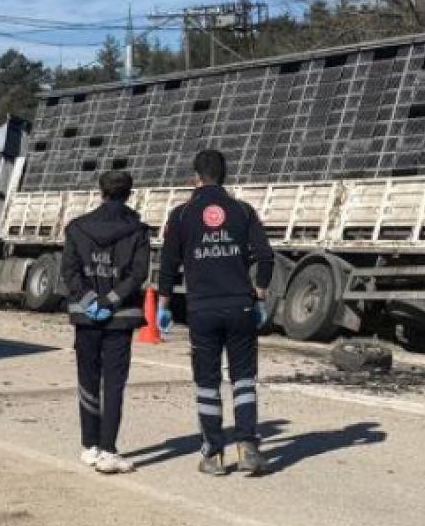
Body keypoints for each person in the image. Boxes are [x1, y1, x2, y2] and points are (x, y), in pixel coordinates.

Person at [157, 150, 276, 476]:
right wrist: (261, 295)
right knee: (243, 380)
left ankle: (213, 455)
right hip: (240, 306)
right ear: (225, 176)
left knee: (208, 383)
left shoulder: (181, 215)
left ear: (196, 177)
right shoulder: (242, 210)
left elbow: (168, 264)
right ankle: (249, 448)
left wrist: (163, 307)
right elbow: (266, 257)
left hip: (202, 309)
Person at [60, 169, 151, 475]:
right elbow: (138, 274)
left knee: (87, 378)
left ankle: (89, 446)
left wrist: (89, 301)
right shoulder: (137, 231)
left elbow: (69, 272)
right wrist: (111, 300)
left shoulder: (77, 228)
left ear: (100, 192)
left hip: (86, 317)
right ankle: (109, 450)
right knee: (113, 384)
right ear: (129, 194)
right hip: (120, 317)